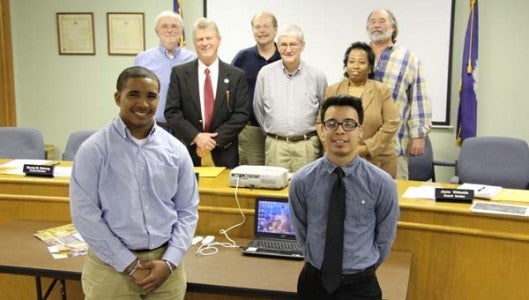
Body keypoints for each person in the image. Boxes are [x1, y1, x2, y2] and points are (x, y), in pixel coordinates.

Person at [70, 66, 199, 300]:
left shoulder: (176, 150)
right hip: (111, 269)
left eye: (150, 96)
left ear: (158, 100)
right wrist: (128, 264)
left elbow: (188, 210)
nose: (143, 103)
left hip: (166, 268)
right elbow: (85, 214)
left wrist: (170, 261)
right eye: (133, 94)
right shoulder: (94, 150)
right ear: (118, 98)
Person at [289, 95, 399, 299]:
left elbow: (385, 237)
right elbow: (302, 231)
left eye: (349, 124)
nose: (340, 131)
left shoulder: (382, 183)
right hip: (314, 282)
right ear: (321, 130)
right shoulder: (302, 180)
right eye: (331, 124)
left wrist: (363, 268)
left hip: (361, 285)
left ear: (360, 131)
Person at [165, 17, 249, 168]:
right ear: (194, 44)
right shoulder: (179, 73)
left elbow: (241, 113)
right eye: (200, 39)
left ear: (218, 40)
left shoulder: (236, 75)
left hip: (225, 151)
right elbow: (172, 111)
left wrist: (213, 141)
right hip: (189, 152)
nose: (205, 43)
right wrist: (196, 137)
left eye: (209, 38)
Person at [367, 8, 432, 179]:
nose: (377, 25)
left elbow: (419, 97)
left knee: (394, 199)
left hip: (395, 143)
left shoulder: (408, 58)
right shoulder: (359, 55)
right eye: (373, 22)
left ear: (393, 27)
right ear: (367, 28)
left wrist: (419, 135)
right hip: (361, 146)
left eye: (382, 21)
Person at [253, 24, 327, 172]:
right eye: (283, 44)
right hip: (276, 145)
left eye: (293, 44)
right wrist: (273, 132)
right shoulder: (265, 74)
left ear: (302, 46)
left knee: (306, 191)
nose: (288, 49)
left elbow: (324, 111)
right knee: (273, 192)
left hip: (307, 146)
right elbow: (258, 108)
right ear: (277, 46)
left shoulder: (316, 75)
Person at [322, 42, 400, 178]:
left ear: (370, 67)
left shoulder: (381, 90)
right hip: (339, 160)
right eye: (351, 61)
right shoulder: (333, 90)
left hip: (377, 160)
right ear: (346, 65)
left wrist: (366, 148)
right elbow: (320, 123)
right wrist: (337, 147)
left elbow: (391, 123)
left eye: (361, 62)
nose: (356, 66)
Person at [231, 11, 281, 165]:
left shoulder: (285, 56)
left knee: (278, 179)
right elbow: (228, 90)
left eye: (266, 26)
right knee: (252, 179)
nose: (261, 31)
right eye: (257, 27)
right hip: (251, 131)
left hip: (279, 133)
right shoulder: (242, 57)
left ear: (275, 29)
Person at [134, 10, 197, 132]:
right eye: (164, 26)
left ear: (181, 31)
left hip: (184, 127)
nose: (169, 30)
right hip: (152, 126)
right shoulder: (142, 59)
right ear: (157, 31)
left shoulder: (193, 59)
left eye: (174, 26)